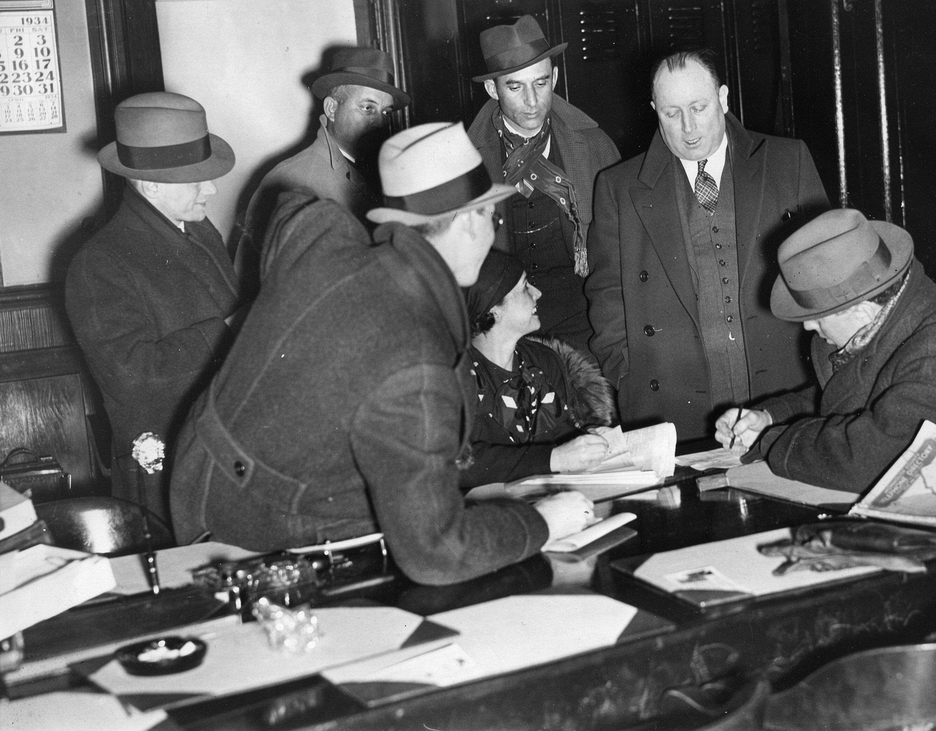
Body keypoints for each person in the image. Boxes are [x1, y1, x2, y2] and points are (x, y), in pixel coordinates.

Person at [170, 122, 594, 585]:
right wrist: (543, 522)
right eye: (491, 218)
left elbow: (292, 213)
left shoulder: (326, 236)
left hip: (202, 466)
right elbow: (437, 552)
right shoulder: (416, 357)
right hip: (250, 526)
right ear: (472, 220)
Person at [586, 49, 830, 443]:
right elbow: (605, 294)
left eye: (699, 107)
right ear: (654, 110)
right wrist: (628, 375)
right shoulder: (619, 187)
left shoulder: (787, 162)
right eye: (671, 113)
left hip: (784, 391)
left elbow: (827, 276)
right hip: (671, 402)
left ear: (724, 98)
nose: (688, 128)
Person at [715, 208, 936, 492]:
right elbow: (842, 396)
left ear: (858, 308)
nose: (808, 327)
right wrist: (768, 418)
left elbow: (870, 456)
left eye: (816, 318)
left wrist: (776, 440)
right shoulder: (896, 316)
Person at [66, 92, 242, 523]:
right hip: (169, 469)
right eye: (197, 179)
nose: (212, 188)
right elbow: (134, 377)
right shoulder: (100, 262)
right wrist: (233, 327)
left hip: (228, 454)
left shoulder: (202, 234)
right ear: (151, 184)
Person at [468, 15, 620, 354]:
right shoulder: (466, 159)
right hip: (505, 326)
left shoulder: (594, 145)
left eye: (539, 83)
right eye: (515, 87)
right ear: (492, 89)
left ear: (554, 76)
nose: (532, 102)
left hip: (584, 316)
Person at [239, 46, 410, 290]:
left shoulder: (385, 171)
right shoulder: (292, 179)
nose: (380, 122)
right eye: (367, 108)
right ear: (331, 109)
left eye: (386, 112)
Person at [460, 249, 616, 488]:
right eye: (524, 287)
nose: (538, 292)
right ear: (493, 310)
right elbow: (456, 465)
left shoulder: (544, 361)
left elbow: (561, 434)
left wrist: (588, 438)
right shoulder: (454, 375)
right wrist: (553, 459)